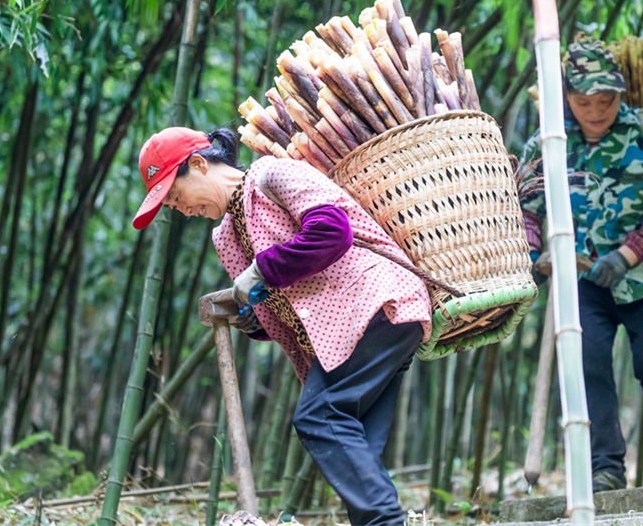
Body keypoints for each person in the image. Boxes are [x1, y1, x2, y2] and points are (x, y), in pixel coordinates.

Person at [131, 126, 433, 524]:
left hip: (378, 304)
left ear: (200, 164)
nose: (179, 208)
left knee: (320, 416)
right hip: (344, 332)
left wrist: (261, 271)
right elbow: (279, 304)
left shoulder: (273, 175)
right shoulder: (225, 235)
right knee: (357, 450)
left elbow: (331, 231)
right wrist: (249, 318)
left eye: (174, 195)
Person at [518, 36, 643, 492]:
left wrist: (627, 254)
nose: (596, 110)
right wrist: (538, 257)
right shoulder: (545, 143)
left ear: (620, 95)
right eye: (584, 101)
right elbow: (526, 212)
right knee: (585, 362)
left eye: (606, 100)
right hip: (583, 281)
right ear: (567, 99)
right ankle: (605, 469)